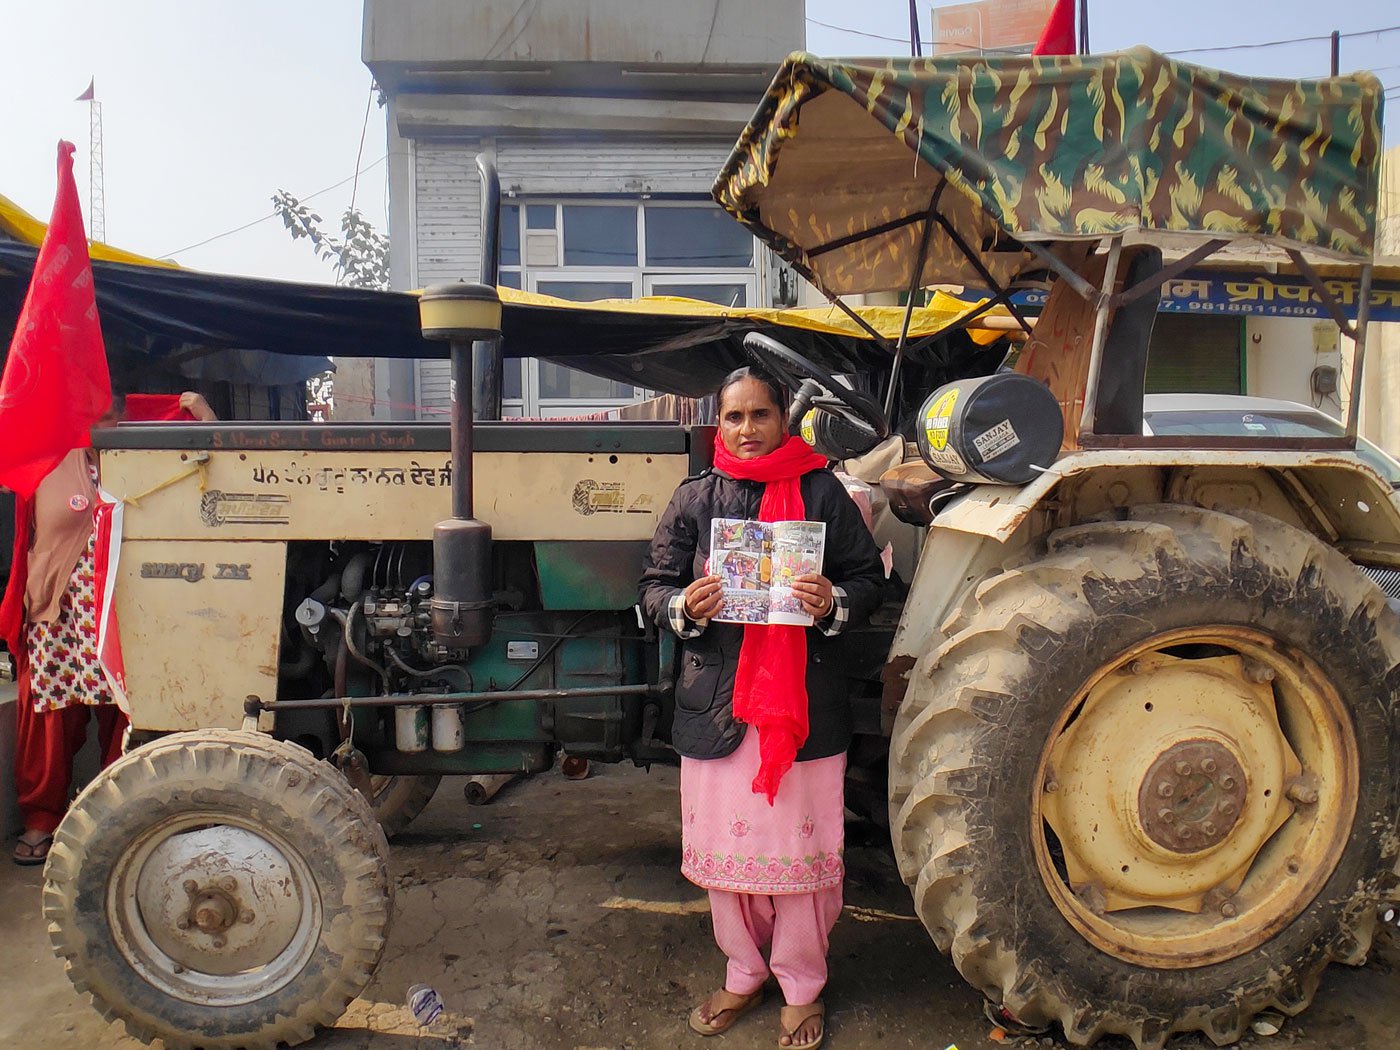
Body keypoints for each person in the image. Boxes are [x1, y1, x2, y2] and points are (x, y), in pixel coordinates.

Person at [640, 368, 885, 1050]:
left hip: (800, 711)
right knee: (729, 859)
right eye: (735, 416)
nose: (747, 429)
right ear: (719, 423)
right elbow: (654, 584)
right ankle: (744, 970)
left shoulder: (821, 491)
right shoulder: (695, 498)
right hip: (719, 710)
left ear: (785, 419)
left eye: (761, 415)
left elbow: (868, 579)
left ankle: (802, 983)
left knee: (798, 854)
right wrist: (683, 605)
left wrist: (833, 601)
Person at [7, 390, 215, 864]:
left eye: (108, 414)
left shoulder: (145, 459)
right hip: (59, 615)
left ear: (123, 415)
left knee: (128, 718)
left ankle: (118, 821)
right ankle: (41, 819)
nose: (98, 424)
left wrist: (203, 415)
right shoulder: (45, 461)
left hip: (127, 613)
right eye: (87, 414)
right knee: (49, 720)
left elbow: (206, 465)